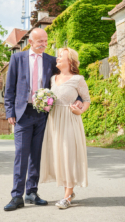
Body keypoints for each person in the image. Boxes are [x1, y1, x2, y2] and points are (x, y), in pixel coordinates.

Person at [4, 29, 82, 211]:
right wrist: (10, 111)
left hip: (44, 114)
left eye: (45, 41)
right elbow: (10, 88)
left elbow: (65, 82)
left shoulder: (50, 60)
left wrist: (78, 101)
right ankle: (16, 196)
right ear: (30, 41)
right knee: (21, 155)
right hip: (23, 113)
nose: (44, 44)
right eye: (40, 41)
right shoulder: (17, 59)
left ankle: (31, 192)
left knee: (37, 155)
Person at [40, 47, 91, 209]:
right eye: (58, 56)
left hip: (70, 120)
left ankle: (67, 197)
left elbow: (86, 100)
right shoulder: (52, 78)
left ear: (70, 60)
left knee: (69, 155)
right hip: (54, 121)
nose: (57, 58)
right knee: (59, 156)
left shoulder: (78, 79)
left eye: (61, 56)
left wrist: (80, 109)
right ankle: (68, 191)